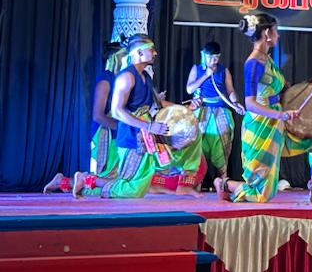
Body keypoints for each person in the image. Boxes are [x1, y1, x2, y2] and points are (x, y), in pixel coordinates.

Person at [214, 13, 312, 203]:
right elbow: (250, 104)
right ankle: (224, 184)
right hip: (261, 127)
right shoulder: (253, 64)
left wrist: (309, 85)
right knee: (262, 194)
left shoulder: (267, 59)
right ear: (267, 33)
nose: (278, 35)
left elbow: (280, 90)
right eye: (276, 31)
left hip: (277, 124)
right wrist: (282, 115)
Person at [71, 35, 203, 198]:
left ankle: (86, 182)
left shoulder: (145, 76)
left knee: (141, 185)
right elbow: (117, 111)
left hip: (146, 135)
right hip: (131, 136)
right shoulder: (126, 77)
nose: (155, 53)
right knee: (132, 188)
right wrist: (149, 126)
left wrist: (186, 109)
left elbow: (157, 104)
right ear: (139, 53)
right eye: (151, 49)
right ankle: (85, 179)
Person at [44, 41, 126, 193]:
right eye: (124, 56)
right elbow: (97, 116)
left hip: (117, 132)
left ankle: (63, 181)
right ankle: (66, 181)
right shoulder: (105, 81)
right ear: (115, 58)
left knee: (114, 180)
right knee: (101, 182)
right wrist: (123, 127)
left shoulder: (123, 79)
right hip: (104, 133)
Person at [185, 41, 244, 183]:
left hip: (220, 109)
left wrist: (236, 103)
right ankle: (195, 180)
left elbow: (230, 90)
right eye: (210, 57)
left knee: (222, 138)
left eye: (216, 57)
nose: (213, 61)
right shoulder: (197, 69)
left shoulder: (224, 71)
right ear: (204, 55)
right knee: (197, 140)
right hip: (201, 109)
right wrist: (206, 75)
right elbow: (189, 89)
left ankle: (222, 180)